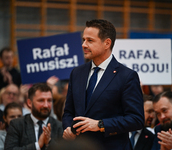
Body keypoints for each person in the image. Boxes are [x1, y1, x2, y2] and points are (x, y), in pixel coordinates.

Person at [62, 19, 144, 150]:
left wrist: (101, 125)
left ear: (107, 43)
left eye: (90, 40)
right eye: (83, 40)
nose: (83, 44)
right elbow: (68, 112)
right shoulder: (77, 73)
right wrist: (68, 129)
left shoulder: (127, 76)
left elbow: (136, 119)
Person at [4, 83, 63, 150]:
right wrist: (37, 145)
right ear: (29, 103)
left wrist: (49, 141)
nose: (46, 105)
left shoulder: (59, 126)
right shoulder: (17, 124)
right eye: (41, 100)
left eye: (49, 100)